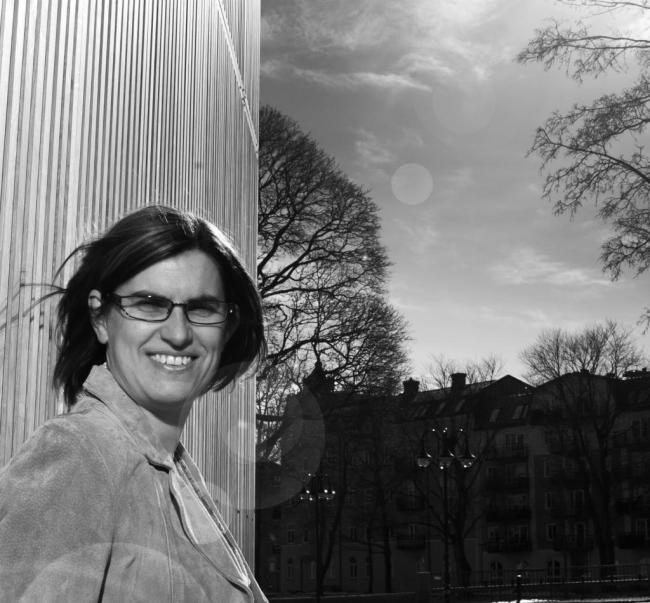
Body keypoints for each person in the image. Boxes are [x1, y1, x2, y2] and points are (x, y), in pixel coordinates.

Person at [0, 205, 268, 602]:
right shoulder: (79, 454)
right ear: (100, 319)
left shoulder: (171, 471)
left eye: (202, 308)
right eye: (149, 303)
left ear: (227, 327)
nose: (178, 333)